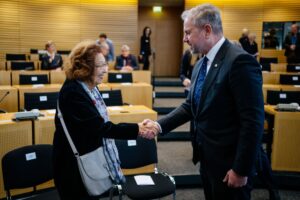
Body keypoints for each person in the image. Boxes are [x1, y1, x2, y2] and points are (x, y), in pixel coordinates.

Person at [142, 4, 264, 200]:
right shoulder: (200, 63)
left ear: (207, 30)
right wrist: (158, 125)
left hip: (230, 165)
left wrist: (241, 170)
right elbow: (191, 105)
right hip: (207, 159)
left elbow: (253, 122)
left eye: (188, 33)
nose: (184, 39)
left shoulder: (240, 62)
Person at [53, 40, 155, 200]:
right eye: (100, 65)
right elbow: (101, 128)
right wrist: (138, 128)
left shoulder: (88, 87)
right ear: (84, 67)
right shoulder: (73, 92)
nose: (105, 70)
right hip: (73, 168)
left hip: (87, 159)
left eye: (105, 64)